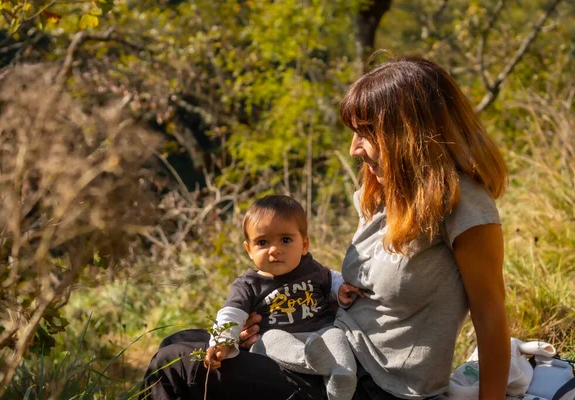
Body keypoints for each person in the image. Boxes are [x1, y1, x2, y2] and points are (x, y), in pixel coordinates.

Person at [141, 54, 510, 400]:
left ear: (408, 132)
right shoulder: (389, 195)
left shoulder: (463, 204)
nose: (354, 148)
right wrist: (269, 324)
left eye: (366, 132)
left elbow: (491, 315)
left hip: (376, 386)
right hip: (332, 346)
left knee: (173, 368)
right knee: (179, 342)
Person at [204, 195, 362, 400]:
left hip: (321, 331)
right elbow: (231, 314)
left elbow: (334, 280)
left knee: (337, 336)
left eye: (286, 240)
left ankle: (342, 377)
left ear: (304, 244)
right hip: (282, 339)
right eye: (262, 242)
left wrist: (341, 289)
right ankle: (308, 358)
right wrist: (222, 341)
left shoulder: (311, 269)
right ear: (249, 250)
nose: (274, 249)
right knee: (269, 340)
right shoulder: (249, 284)